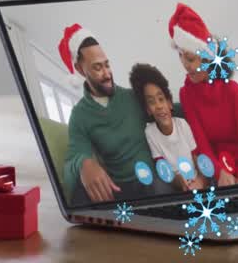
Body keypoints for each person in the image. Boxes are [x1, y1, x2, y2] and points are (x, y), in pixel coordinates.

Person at [57, 24, 177, 205]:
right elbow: (73, 158)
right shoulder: (79, 115)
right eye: (97, 68)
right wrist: (84, 164)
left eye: (107, 65)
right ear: (81, 70)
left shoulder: (132, 97)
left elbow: (167, 108)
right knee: (79, 197)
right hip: (120, 187)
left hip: (153, 179)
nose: (107, 74)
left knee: (159, 189)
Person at [168, 2, 238, 186]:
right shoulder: (187, 94)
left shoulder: (233, 91)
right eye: (180, 56)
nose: (185, 65)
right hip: (218, 170)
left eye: (190, 58)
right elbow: (200, 142)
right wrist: (220, 172)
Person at [128, 63, 209, 192]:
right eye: (151, 102)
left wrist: (200, 180)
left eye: (161, 99)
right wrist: (179, 181)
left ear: (170, 103)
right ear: (148, 110)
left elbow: (196, 157)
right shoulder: (150, 132)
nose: (159, 106)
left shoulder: (182, 124)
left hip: (196, 179)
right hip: (175, 184)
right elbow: (162, 167)